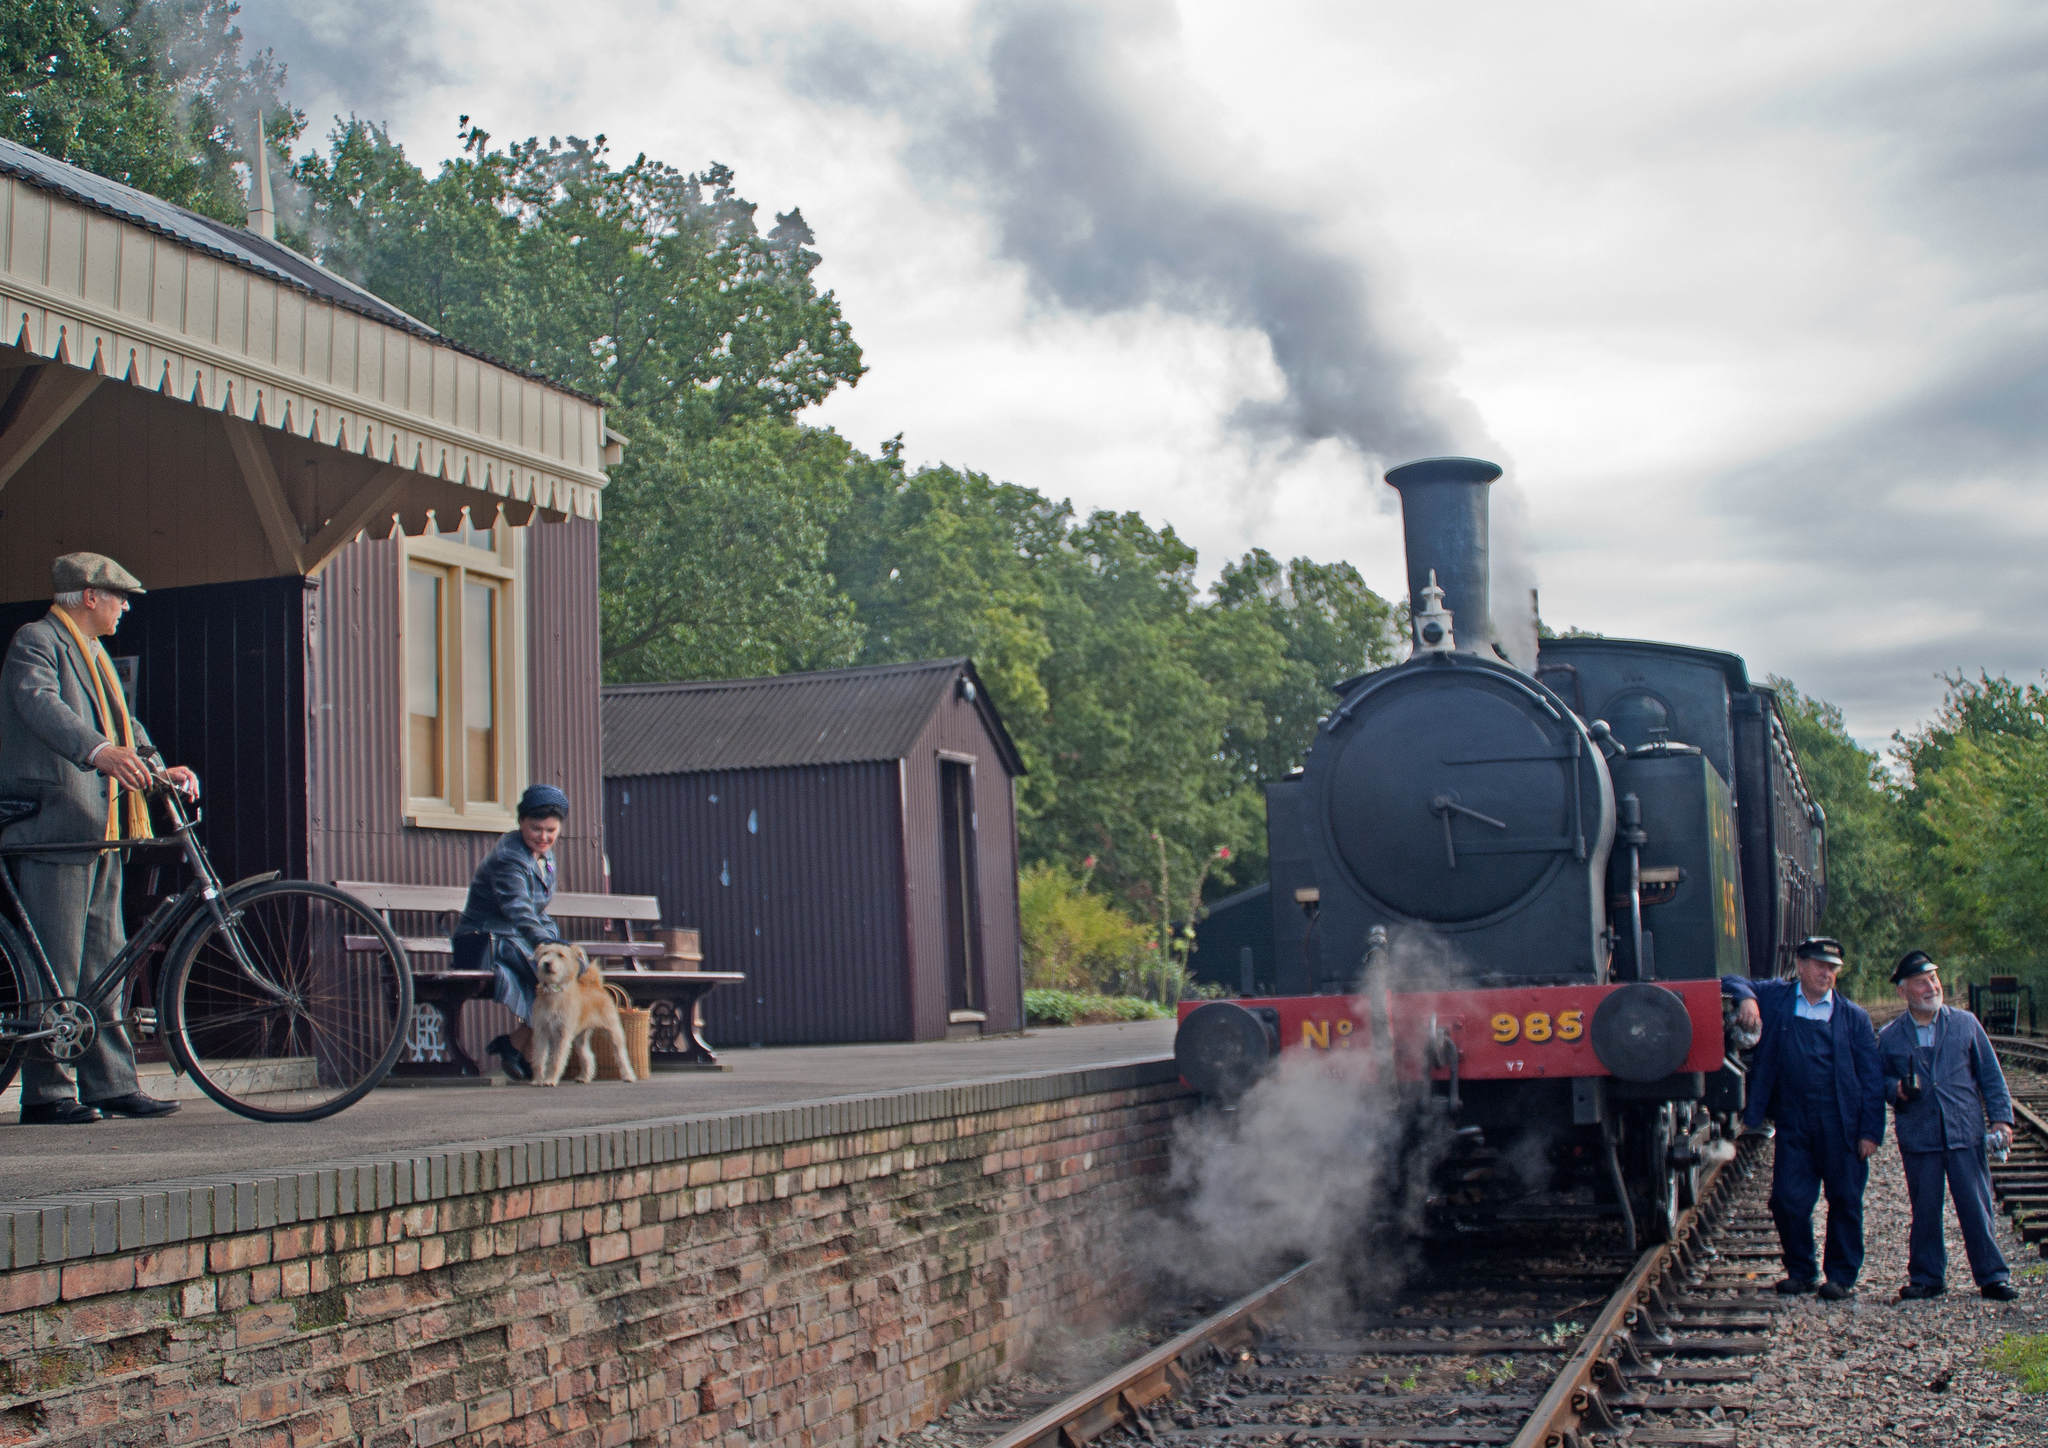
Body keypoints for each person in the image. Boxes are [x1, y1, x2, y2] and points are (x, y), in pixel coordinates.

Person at [0, 554, 197, 1124]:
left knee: (104, 960)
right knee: (55, 962)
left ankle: (110, 1083)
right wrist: (97, 752)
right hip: (56, 823)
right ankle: (47, 1092)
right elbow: (41, 706)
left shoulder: (95, 656)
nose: (126, 606)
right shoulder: (36, 641)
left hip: (102, 826)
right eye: (119, 596)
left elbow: (124, 730)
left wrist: (162, 769)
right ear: (88, 596)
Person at [1720, 937, 1885, 1301]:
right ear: (1800, 965)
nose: (1827, 973)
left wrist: (1871, 1131)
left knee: (1845, 1200)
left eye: (1833, 968)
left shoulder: (1853, 1017)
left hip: (1841, 1121)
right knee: (1786, 1200)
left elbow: (1872, 1079)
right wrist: (1747, 999)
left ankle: (1840, 1277)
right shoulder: (1777, 997)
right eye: (1820, 965)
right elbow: (1729, 980)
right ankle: (1802, 1271)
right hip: (1793, 1120)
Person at [1878, 950, 2019, 1301]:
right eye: (1921, 982)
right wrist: (1893, 1089)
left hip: (1963, 1132)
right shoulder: (1890, 1036)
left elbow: (1991, 1077)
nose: (1931, 987)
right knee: (1924, 1209)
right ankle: (1927, 1277)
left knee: (1976, 1205)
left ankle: (1992, 1276)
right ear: (1903, 990)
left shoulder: (1966, 1024)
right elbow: (1874, 1080)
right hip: (1920, 1134)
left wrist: (2001, 1120)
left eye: (1933, 979)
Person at [452, 785, 570, 1082]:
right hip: (484, 939)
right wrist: (544, 943)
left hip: (514, 936)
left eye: (551, 830)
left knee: (564, 976)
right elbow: (518, 907)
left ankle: (517, 1045)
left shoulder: (545, 856)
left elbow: (537, 910)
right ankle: (522, 1050)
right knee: (551, 974)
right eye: (536, 829)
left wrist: (554, 940)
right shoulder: (509, 856)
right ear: (521, 823)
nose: (543, 837)